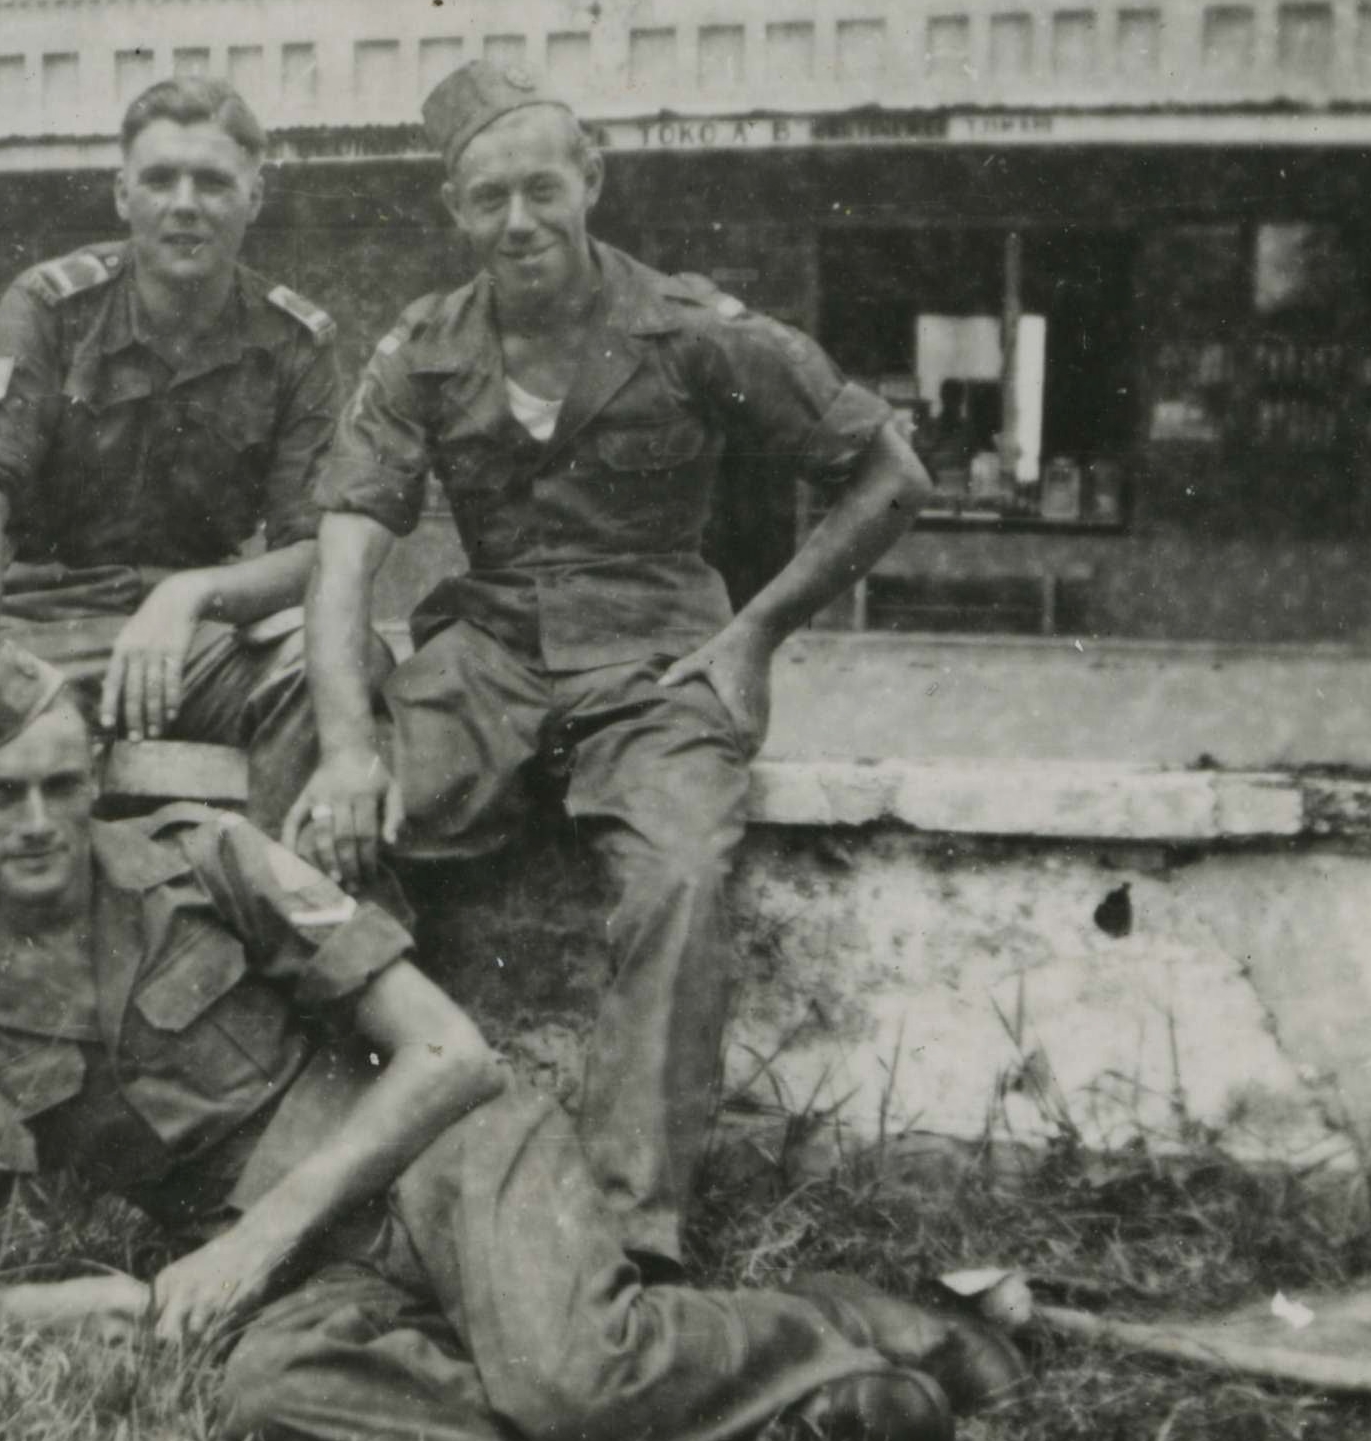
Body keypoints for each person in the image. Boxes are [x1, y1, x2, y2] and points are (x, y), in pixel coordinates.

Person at [0, 651, 1018, 1441]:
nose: (41, 820)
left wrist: (251, 1241)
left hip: (445, 1154)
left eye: (64, 782)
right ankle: (671, 1422)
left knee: (567, 1379)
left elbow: (453, 1051)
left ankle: (838, 1328)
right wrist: (47, 1303)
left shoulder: (207, 860)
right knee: (268, 1394)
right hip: (312, 1272)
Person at [287, 62, 932, 1273]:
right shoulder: (421, 351)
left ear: (592, 181)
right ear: (455, 211)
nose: (519, 220)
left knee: (680, 878)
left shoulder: (689, 328)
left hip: (656, 661)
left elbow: (890, 474)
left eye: (542, 187)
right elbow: (344, 558)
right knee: (318, 849)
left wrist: (752, 635)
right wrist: (346, 749)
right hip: (487, 660)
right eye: (488, 199)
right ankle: (376, 1176)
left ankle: (626, 1233)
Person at [0, 76, 359, 833]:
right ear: (123, 196)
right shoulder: (52, 308)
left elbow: (313, 554)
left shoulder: (294, 343)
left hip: (190, 643)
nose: (185, 203)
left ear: (254, 200)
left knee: (317, 670)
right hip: (44, 631)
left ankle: (290, 907)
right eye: (160, 180)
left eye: (214, 182)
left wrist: (187, 595)